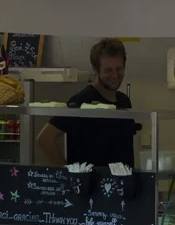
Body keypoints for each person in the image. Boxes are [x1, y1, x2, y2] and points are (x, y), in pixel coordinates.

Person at [37, 38, 139, 168]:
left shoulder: (124, 101)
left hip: (123, 184)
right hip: (90, 185)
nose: (115, 75)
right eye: (108, 70)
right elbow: (45, 139)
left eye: (118, 69)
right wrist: (67, 174)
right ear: (95, 70)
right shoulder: (82, 101)